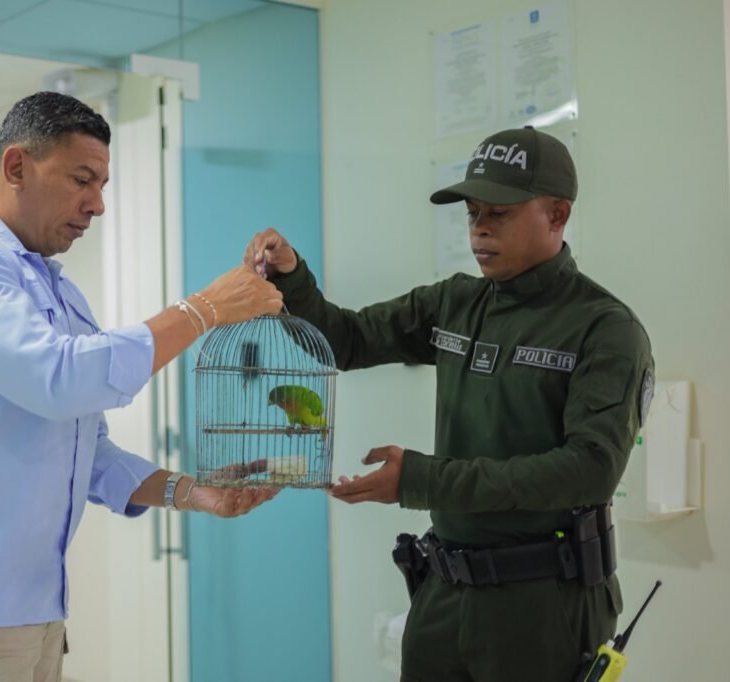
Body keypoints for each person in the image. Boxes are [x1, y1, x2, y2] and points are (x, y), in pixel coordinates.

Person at [0, 91, 282, 682]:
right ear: (17, 168)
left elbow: (87, 450)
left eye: (104, 185)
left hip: (33, 609)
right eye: (82, 180)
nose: (97, 206)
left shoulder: (58, 291)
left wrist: (193, 492)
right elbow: (58, 380)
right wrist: (203, 309)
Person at [246, 126, 654, 682]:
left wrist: (421, 480)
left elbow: (589, 471)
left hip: (542, 607)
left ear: (557, 215)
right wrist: (294, 280)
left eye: (500, 213)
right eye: (473, 213)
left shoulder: (605, 328)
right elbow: (348, 340)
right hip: (442, 594)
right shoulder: (456, 303)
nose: (480, 228)